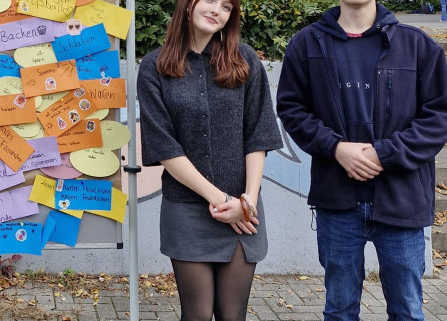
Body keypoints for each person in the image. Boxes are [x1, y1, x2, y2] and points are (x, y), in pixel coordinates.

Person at [276, 0, 447, 319]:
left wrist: (386, 153)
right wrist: (336, 148)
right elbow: (292, 109)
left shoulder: (417, 46)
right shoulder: (308, 43)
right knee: (339, 310)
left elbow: (439, 117)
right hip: (337, 201)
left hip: (401, 200)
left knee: (407, 311)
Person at [138, 0, 282, 319]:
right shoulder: (154, 67)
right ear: (188, 5)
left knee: (233, 315)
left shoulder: (245, 61)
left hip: (244, 212)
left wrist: (247, 201)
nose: (217, 9)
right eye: (210, 1)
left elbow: (259, 134)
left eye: (227, 6)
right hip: (187, 210)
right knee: (198, 315)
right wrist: (221, 201)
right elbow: (165, 148)